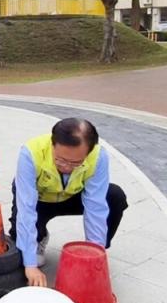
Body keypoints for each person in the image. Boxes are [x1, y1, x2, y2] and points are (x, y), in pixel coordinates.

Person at [9, 118, 128, 287]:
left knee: (114, 197)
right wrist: (30, 265)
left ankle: (100, 252)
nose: (66, 167)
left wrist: (94, 257)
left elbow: (96, 207)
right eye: (60, 160)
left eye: (76, 163)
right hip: (39, 200)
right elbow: (26, 209)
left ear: (89, 151)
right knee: (19, 250)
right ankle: (40, 237)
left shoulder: (98, 156)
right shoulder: (30, 152)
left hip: (72, 197)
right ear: (52, 144)